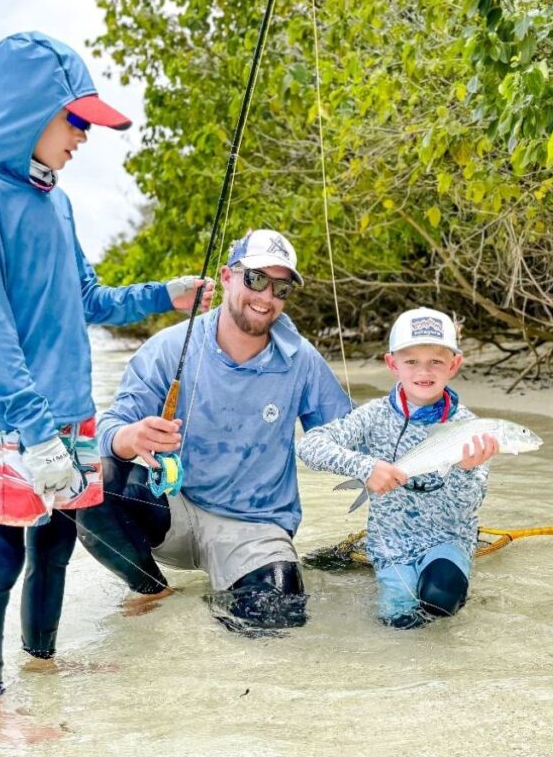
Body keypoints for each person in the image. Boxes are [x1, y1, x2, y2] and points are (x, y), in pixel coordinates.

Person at [0, 31, 213, 704]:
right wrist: (35, 433)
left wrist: (165, 294)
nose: (83, 138)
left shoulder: (56, 201)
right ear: (29, 111)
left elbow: (91, 298)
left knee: (55, 549)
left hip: (70, 412)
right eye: (76, 120)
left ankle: (41, 666)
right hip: (9, 420)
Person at [76, 229, 352, 629]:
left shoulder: (302, 360)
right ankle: (153, 591)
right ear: (226, 276)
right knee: (94, 479)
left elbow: (348, 436)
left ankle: (222, 607)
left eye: (281, 288)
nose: (266, 297)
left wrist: (423, 435)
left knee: (276, 628)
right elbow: (108, 428)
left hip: (255, 530)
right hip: (174, 510)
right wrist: (131, 437)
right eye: (255, 279)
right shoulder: (169, 348)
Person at [297, 307, 500, 628]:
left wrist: (466, 470)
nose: (424, 371)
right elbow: (308, 446)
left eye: (436, 361)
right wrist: (366, 467)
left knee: (440, 600)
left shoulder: (468, 426)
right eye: (411, 361)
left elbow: (467, 508)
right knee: (399, 620)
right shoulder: (373, 415)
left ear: (454, 365)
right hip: (391, 546)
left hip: (447, 538)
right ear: (392, 364)